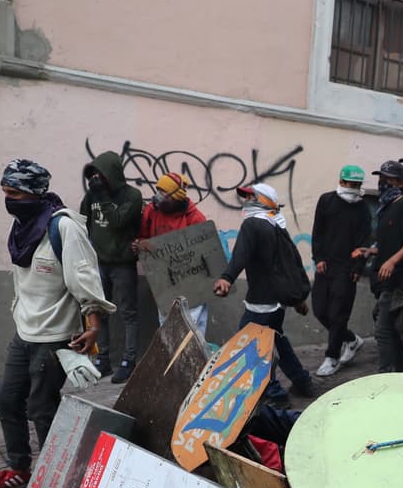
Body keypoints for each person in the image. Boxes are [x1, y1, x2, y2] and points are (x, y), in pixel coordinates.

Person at [0, 159, 116, 488]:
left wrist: (94, 326)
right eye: (5, 192)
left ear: (34, 193)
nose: (8, 199)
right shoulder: (23, 227)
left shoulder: (64, 228)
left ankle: (58, 475)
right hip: (24, 331)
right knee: (7, 401)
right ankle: (19, 469)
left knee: (41, 408)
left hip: (56, 337)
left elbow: (84, 278)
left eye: (14, 192)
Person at [212, 183, 315, 406]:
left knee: (251, 347)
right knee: (277, 339)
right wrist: (297, 299)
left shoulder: (253, 224)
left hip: (262, 302)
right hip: (276, 302)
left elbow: (240, 255)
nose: (246, 201)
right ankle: (302, 381)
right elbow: (292, 264)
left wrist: (227, 278)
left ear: (263, 201)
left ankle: (275, 395)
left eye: (251, 197)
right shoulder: (276, 226)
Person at [79, 151, 142, 383]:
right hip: (99, 264)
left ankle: (128, 360)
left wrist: (103, 196)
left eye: (100, 174)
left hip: (122, 264)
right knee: (99, 312)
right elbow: (83, 223)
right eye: (93, 175)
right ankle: (102, 359)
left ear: (111, 174)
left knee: (128, 313)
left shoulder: (132, 196)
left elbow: (116, 222)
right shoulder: (91, 196)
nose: (96, 179)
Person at [362, 160, 403, 372]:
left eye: (387, 179)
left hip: (399, 279)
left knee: (383, 331)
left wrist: (391, 261)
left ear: (400, 182)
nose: (383, 183)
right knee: (390, 330)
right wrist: (374, 251)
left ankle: (385, 374)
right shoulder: (386, 206)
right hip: (385, 279)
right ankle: (400, 373)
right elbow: (393, 241)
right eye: (382, 178)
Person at [310, 164, 370, 377]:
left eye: (357, 185)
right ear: (341, 181)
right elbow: (318, 232)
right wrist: (318, 258)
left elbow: (364, 239)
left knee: (338, 314)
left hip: (347, 269)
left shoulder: (362, 207)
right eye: (350, 184)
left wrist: (358, 267)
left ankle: (332, 357)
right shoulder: (326, 200)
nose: (354, 188)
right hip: (326, 265)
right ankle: (352, 340)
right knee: (320, 310)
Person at [136, 173, 211, 334]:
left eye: (163, 193)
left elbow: (205, 253)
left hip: (191, 282)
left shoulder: (195, 219)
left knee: (192, 328)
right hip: (163, 281)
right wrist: (142, 246)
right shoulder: (152, 211)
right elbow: (143, 237)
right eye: (158, 190)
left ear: (176, 197)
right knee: (167, 327)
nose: (158, 196)